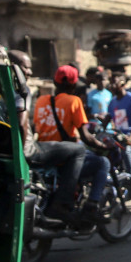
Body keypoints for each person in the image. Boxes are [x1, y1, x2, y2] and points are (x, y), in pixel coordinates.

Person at [9, 51, 88, 224]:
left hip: (33, 144)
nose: (29, 72)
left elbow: (35, 125)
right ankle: (62, 203)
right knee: (79, 150)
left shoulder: (42, 99)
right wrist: (22, 155)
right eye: (26, 68)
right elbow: (23, 123)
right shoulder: (22, 89)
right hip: (30, 149)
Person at [32, 65, 111, 224]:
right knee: (102, 162)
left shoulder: (41, 100)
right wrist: (103, 147)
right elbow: (86, 137)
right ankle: (91, 207)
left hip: (43, 156)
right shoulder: (74, 101)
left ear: (55, 82)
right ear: (74, 85)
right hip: (65, 159)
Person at [107, 72, 131, 176]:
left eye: (115, 83)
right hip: (119, 137)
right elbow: (108, 119)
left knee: (125, 150)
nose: (112, 86)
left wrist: (130, 138)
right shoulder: (112, 102)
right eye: (111, 83)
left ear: (122, 84)